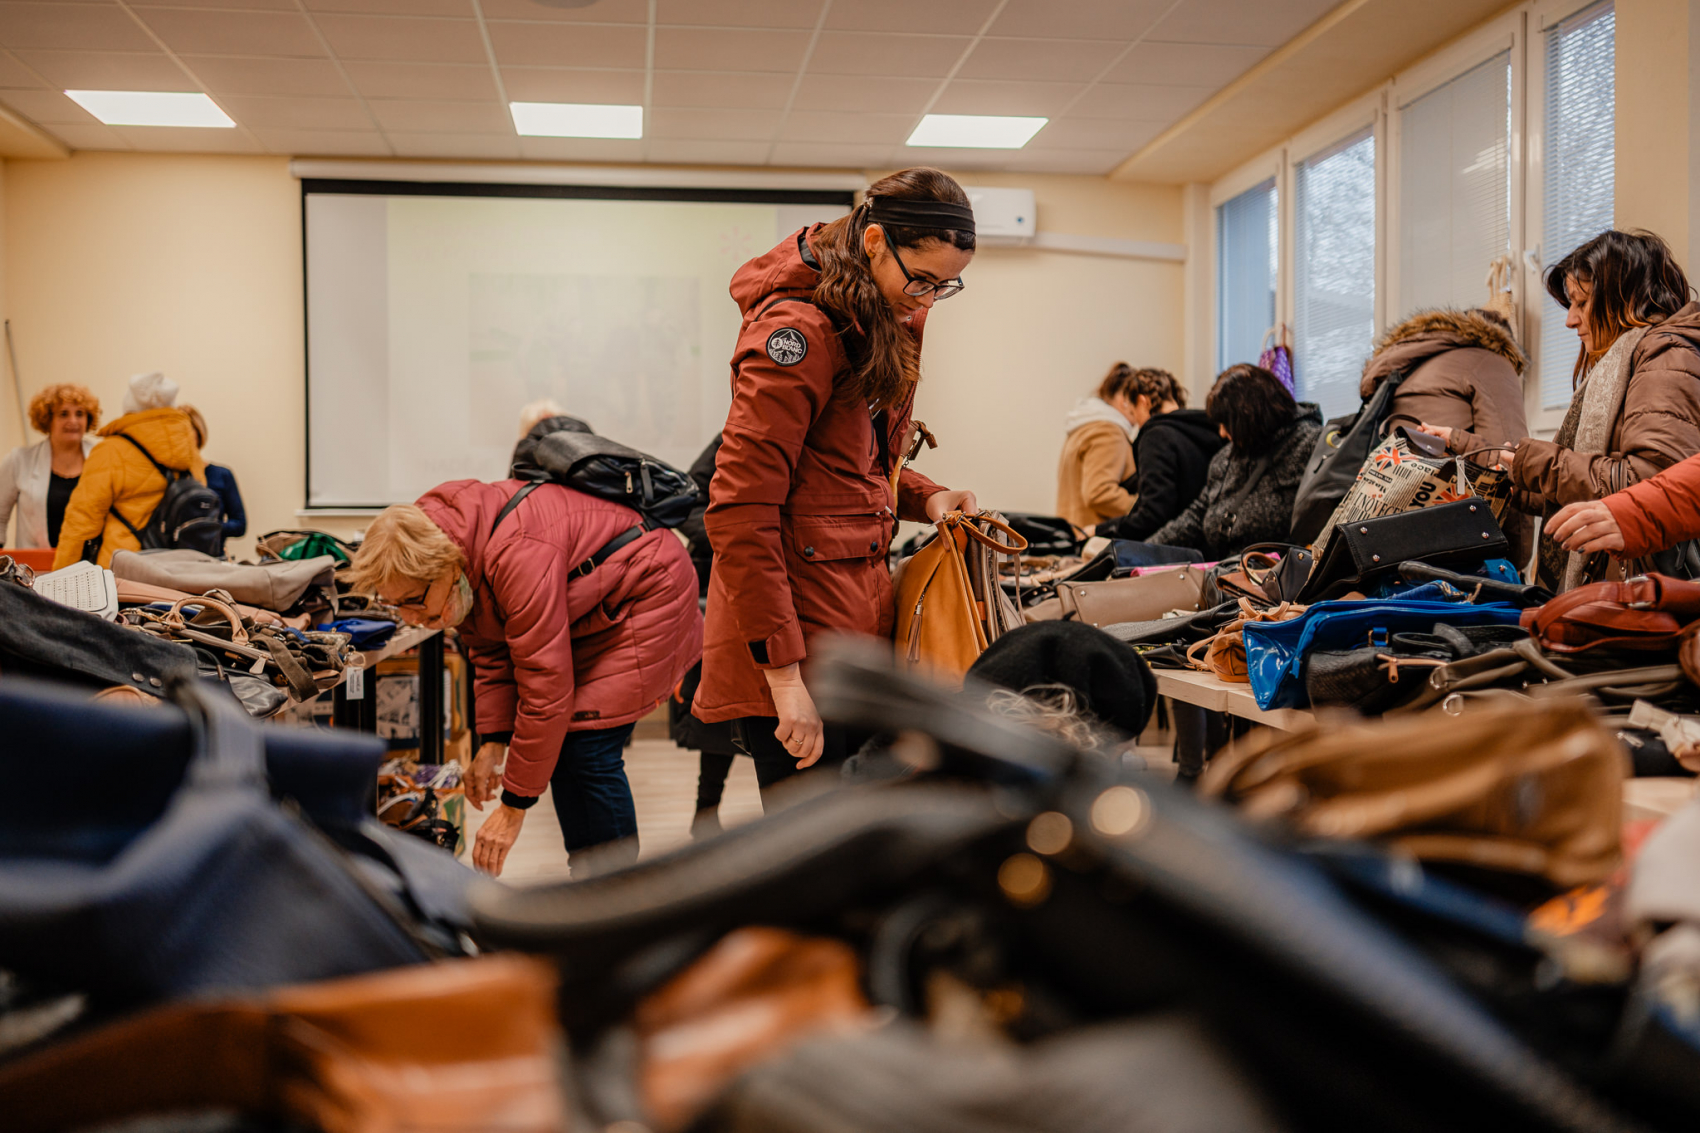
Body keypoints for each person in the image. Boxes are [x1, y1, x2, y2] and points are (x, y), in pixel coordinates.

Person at [694, 167, 979, 790]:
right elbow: (740, 509)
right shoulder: (795, 334)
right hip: (798, 645)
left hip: (852, 631)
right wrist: (784, 679)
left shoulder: (880, 313)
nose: (928, 300)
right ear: (874, 242)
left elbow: (847, 468)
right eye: (922, 280)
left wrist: (929, 497)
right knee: (812, 847)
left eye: (946, 286)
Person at [343, 477, 701, 878]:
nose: (410, 618)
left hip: (647, 591)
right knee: (567, 747)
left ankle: (619, 891)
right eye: (395, 605)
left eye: (414, 601)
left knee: (588, 749)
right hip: (595, 604)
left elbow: (545, 688)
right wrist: (493, 741)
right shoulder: (458, 557)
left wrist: (513, 807)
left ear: (447, 565)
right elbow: (491, 647)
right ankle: (588, 881)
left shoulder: (517, 555)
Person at [1428, 230, 1700, 590]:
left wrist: (1538, 463)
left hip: (1638, 590)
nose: (1570, 320)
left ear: (1623, 299)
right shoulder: (1625, 366)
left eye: (1581, 303)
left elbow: (1648, 490)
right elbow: (1564, 492)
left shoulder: (1667, 358)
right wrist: (1465, 447)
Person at [1146, 364, 1323, 559]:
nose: (1222, 433)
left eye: (1227, 423)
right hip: (1224, 570)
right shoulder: (1227, 457)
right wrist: (1143, 551)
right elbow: (1195, 516)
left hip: (1277, 574)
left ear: (1250, 418)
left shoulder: (1310, 446)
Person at [53, 372, 205, 570]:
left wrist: (60, 575)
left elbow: (81, 523)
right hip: (180, 568)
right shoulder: (190, 450)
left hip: (126, 570)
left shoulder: (111, 450)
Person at [1089, 368, 1223, 542]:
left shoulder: (1156, 436)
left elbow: (1153, 513)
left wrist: (1099, 530)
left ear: (1142, 401)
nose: (1137, 424)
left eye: (1134, 413)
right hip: (1213, 546)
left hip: (1176, 547)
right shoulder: (1209, 429)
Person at [0, 383, 99, 549]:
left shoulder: (102, 457)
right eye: (63, 414)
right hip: (36, 561)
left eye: (80, 414)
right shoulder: (19, 460)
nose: (73, 421)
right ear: (47, 419)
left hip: (93, 560)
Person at [1055, 362, 1140, 527]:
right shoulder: (1109, 431)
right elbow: (1099, 493)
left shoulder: (1083, 426)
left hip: (1073, 529)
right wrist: (1140, 506)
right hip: (1092, 534)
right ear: (1123, 400)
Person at [183, 405, 245, 543]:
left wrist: (207, 527)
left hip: (213, 553)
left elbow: (240, 525)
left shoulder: (222, 475)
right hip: (177, 554)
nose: (183, 436)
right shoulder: (169, 477)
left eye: (189, 429)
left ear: (199, 433)